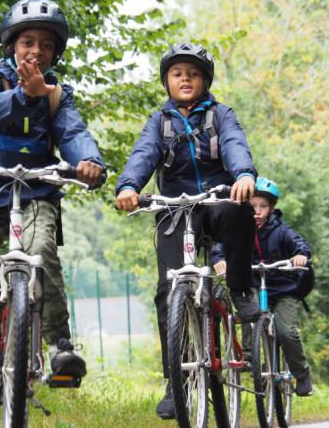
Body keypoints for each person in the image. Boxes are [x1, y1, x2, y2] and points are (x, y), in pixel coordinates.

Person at [0, 0, 105, 381]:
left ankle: (59, 346)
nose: (37, 51)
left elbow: (73, 133)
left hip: (36, 191)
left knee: (39, 253)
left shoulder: (56, 94)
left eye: (47, 45)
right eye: (28, 42)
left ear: (55, 53)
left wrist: (91, 162)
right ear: (12, 46)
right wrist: (25, 95)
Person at [115, 42, 260, 419]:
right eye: (178, 73)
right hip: (175, 210)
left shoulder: (220, 115)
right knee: (168, 293)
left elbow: (234, 145)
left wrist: (243, 175)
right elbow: (143, 154)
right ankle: (174, 381)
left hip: (215, 201)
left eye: (193, 74)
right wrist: (129, 186)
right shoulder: (158, 122)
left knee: (239, 213)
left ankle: (241, 287)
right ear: (167, 81)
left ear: (205, 81)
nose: (185, 79)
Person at [211, 177, 315, 396]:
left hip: (284, 289)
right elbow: (220, 245)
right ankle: (250, 356)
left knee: (286, 331)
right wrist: (219, 259)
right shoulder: (239, 228)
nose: (257, 211)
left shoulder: (282, 231)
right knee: (249, 312)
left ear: (272, 208)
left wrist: (300, 255)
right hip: (255, 286)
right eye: (252, 206)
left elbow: (300, 244)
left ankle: (302, 374)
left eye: (263, 206)